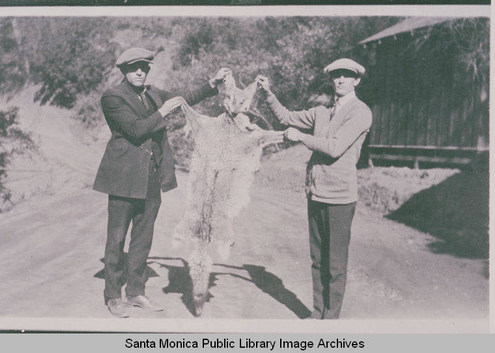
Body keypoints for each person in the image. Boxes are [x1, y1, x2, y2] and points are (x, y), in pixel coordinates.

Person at [93, 47, 230, 318]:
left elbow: (183, 99)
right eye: (134, 68)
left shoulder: (153, 93)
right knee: (116, 240)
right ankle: (113, 296)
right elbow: (135, 129)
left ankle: (134, 293)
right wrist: (163, 112)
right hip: (123, 180)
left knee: (143, 241)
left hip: (150, 179)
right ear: (124, 71)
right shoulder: (112, 97)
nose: (140, 72)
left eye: (144, 67)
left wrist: (212, 85)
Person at [256, 58, 372, 319]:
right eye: (336, 75)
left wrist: (301, 137)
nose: (340, 80)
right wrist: (268, 93)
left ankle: (330, 321)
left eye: (346, 75)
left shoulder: (360, 112)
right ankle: (317, 314)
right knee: (318, 260)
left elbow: (334, 146)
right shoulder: (322, 111)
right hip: (316, 193)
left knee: (335, 265)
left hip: (340, 198)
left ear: (357, 80)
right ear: (331, 80)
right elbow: (286, 116)